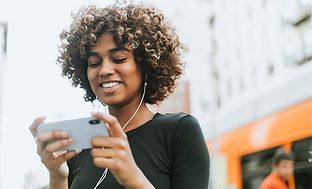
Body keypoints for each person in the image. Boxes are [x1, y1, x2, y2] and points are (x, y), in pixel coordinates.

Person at [29, 3, 210, 189]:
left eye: (119, 59)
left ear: (146, 65)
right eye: (94, 62)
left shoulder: (179, 131)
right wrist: (57, 177)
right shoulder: (80, 147)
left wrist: (133, 178)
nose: (104, 70)